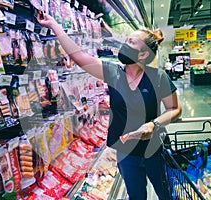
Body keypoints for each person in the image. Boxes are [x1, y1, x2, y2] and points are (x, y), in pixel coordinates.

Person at [37, 14, 182, 200]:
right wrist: (54, 25)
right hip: (126, 153)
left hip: (155, 150)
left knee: (167, 194)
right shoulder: (114, 74)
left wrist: (153, 124)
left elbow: (175, 110)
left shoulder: (158, 77)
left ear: (143, 54)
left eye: (130, 42)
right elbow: (79, 56)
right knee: (136, 196)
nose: (124, 44)